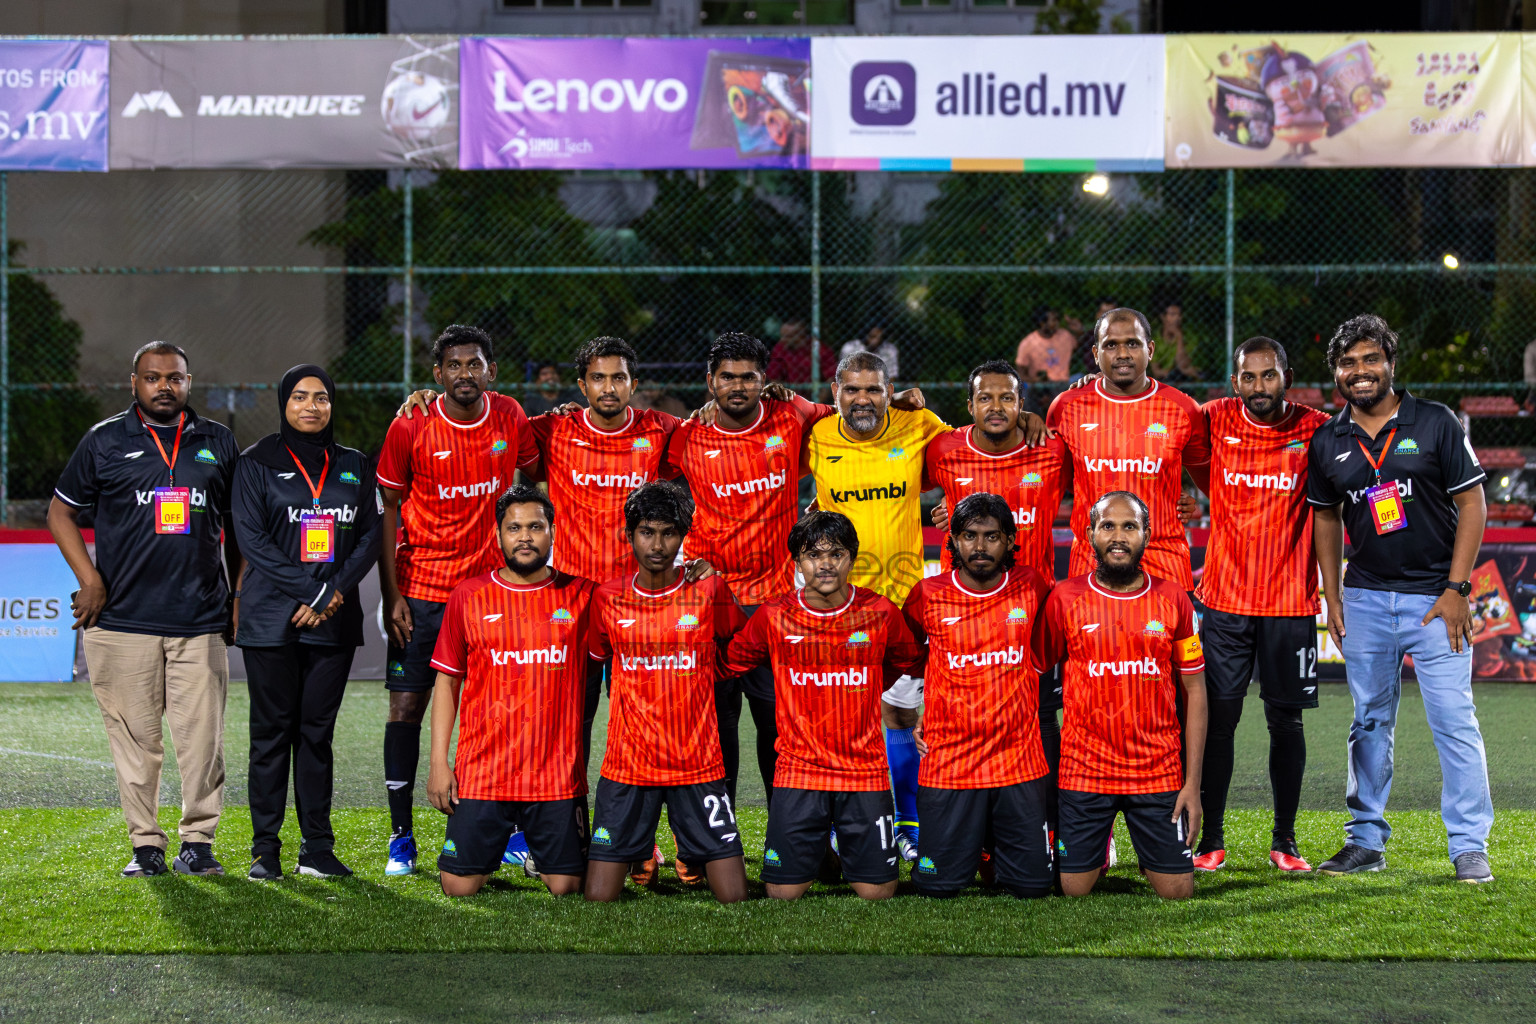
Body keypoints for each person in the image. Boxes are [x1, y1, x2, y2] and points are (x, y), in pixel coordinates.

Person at [1306, 314, 1494, 884]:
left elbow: (1473, 505)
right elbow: (1326, 519)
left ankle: (1468, 846)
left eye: (1369, 360)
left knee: (1455, 724)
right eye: (1348, 364)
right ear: (1336, 373)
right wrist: (1333, 597)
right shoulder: (1328, 439)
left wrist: (1459, 589)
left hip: (1436, 605)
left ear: (1390, 363)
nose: (1359, 372)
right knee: (1368, 724)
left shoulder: (1434, 422)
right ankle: (1365, 841)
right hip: (1364, 601)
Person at [48, 341, 240, 878]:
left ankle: (198, 842)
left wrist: (238, 595)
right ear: (134, 383)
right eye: (153, 378)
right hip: (121, 622)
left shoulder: (217, 441)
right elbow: (60, 512)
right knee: (135, 744)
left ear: (188, 382)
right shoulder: (105, 440)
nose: (164, 386)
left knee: (203, 743)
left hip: (199, 620)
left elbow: (239, 530)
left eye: (174, 378)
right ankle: (146, 846)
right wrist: (89, 580)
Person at [375, 324, 540, 876]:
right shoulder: (411, 423)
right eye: (454, 365)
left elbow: (537, 471)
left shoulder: (511, 417)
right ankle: (402, 838)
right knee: (407, 709)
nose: (464, 374)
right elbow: (390, 509)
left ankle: (508, 828)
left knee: (494, 712)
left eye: (475, 364)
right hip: (422, 591)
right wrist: (391, 593)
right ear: (437, 373)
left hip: (490, 594)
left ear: (490, 370)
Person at [663, 332, 833, 817]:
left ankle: (786, 835)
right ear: (710, 381)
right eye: (727, 377)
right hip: (708, 603)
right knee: (713, 727)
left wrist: (901, 402)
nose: (738, 386)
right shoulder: (687, 435)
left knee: (777, 728)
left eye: (749, 377)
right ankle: (717, 838)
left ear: (765, 380)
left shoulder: (792, 414)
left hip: (773, 604)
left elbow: (855, 416)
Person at [1182, 338, 1331, 873]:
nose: (1259, 387)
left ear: (1286, 377)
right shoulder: (1212, 417)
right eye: (1249, 377)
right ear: (1234, 380)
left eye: (1269, 376)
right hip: (1223, 603)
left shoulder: (1315, 427)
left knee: (1285, 723)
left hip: (1290, 604)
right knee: (1218, 721)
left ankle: (1285, 842)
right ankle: (1211, 841)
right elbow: (1155, 434)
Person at [724, 511, 923, 900]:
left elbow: (909, 659)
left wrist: (869, 684)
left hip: (863, 771)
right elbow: (729, 660)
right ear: (797, 562)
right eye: (813, 555)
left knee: (878, 893)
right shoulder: (773, 616)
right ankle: (823, 852)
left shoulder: (880, 613)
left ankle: (844, 850)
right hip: (799, 773)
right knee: (782, 893)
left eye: (836, 553)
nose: (826, 564)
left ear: (853, 558)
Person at [233, 365, 383, 880]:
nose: (311, 406)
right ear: (284, 402)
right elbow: (253, 541)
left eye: (321, 398)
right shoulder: (256, 462)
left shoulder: (354, 465)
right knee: (271, 734)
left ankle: (316, 849)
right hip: (271, 619)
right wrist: (313, 590)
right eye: (300, 397)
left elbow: (369, 536)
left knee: (316, 736)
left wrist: (333, 591)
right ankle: (265, 850)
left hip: (333, 620)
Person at [803, 350, 949, 861]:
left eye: (874, 389)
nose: (862, 399)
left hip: (904, 603)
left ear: (890, 391)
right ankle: (843, 823)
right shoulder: (816, 435)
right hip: (834, 605)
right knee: (841, 718)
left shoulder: (919, 423)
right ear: (835, 394)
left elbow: (970, 454)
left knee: (899, 716)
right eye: (852, 390)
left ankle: (906, 824)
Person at [426, 483, 601, 897]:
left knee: (568, 887)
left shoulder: (584, 596)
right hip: (484, 774)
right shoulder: (468, 596)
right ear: (498, 535)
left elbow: (642, 607)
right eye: (514, 528)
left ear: (553, 533)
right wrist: (438, 762)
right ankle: (510, 848)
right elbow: (447, 681)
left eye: (536, 527)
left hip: (555, 776)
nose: (525, 536)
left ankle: (534, 853)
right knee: (457, 888)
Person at [1037, 491, 1208, 900]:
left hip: (1156, 771)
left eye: (1129, 526)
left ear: (1146, 534)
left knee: (1178, 892)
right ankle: (1097, 846)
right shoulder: (1064, 599)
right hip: (1084, 771)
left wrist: (1193, 785)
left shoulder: (1174, 599)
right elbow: (1035, 674)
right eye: (1107, 526)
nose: (1118, 536)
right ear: (1089, 534)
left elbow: (1195, 691)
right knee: (1073, 890)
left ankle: (1147, 848)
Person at [586, 482, 749, 903]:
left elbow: (740, 644)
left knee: (734, 895)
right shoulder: (607, 598)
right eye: (646, 532)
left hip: (697, 764)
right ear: (629, 535)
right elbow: (598, 655)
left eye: (668, 533)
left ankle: (685, 855)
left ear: (683, 536)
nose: (657, 544)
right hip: (627, 766)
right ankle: (641, 853)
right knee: (598, 897)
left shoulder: (710, 590)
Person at [924, 360, 1068, 821]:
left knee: (1042, 719)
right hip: (962, 617)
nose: (996, 406)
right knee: (964, 720)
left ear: (1022, 404)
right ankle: (959, 826)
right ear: (969, 406)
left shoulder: (1050, 449)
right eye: (985, 398)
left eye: (1007, 397)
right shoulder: (943, 450)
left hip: (1031, 613)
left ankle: (1044, 829)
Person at [902, 493, 1055, 899]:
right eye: (969, 536)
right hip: (950, 761)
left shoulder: (1032, 587)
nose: (980, 547)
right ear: (952, 540)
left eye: (991, 536)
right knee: (937, 887)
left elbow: (1043, 655)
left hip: (1018, 760)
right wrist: (929, 705)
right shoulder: (927, 594)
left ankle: (989, 848)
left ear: (1009, 540)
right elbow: (908, 654)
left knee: (1033, 888)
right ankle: (979, 848)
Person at [1047, 307, 1211, 591]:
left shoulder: (1183, 410)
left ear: (1150, 349)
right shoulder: (1066, 407)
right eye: (1111, 345)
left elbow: (1213, 486)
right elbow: (1051, 487)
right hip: (1091, 564)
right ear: (1096, 354)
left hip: (1163, 565)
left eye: (1132, 343)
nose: (1122, 353)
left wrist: (1174, 496)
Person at [528, 336, 682, 585]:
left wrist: (766, 404)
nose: (609, 388)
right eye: (598, 378)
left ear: (633, 385)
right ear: (582, 385)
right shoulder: (554, 429)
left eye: (618, 378)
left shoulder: (660, 427)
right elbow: (493, 428)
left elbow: (716, 433)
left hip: (636, 586)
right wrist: (440, 405)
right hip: (572, 586)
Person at [766, 317, 836, 394]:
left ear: (800, 335)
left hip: (814, 396)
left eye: (787, 336)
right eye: (782, 336)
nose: (782, 340)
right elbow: (774, 379)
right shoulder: (779, 349)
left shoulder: (819, 349)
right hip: (788, 396)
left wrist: (817, 403)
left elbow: (830, 379)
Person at [1014, 306, 1077, 384]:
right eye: (1053, 320)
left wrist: (1079, 331)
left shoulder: (1065, 336)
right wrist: (1036, 380)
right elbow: (1020, 373)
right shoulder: (1028, 343)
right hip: (1039, 386)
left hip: (1064, 383)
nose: (1057, 323)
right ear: (1042, 323)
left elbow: (1080, 345)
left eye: (1057, 319)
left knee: (1079, 376)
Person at [1149, 301, 1203, 382]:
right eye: (1173, 314)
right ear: (1163, 317)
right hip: (1166, 380)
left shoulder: (1190, 337)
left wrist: (1179, 337)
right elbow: (1156, 371)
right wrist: (1169, 372)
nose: (1178, 318)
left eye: (1179, 315)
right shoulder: (1155, 340)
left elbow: (1183, 364)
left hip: (1187, 381)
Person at [1076, 298, 1117, 378]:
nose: (1109, 317)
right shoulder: (1090, 336)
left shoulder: (1126, 335)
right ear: (1098, 315)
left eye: (1113, 313)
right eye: (1105, 313)